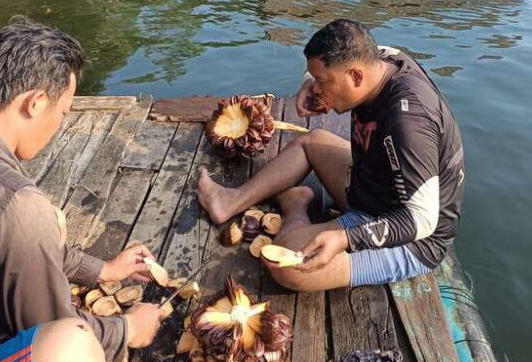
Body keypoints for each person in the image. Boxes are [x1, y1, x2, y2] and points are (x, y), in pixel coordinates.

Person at [0, 19, 166, 362]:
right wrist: (126, 328)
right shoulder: (13, 201)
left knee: (47, 218)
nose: (61, 124)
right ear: (35, 102)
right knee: (72, 358)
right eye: (64, 111)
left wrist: (101, 270)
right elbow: (48, 330)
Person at [199, 18, 465, 293]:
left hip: (410, 239)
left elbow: (421, 221)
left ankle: (295, 207)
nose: (317, 89)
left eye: (322, 82)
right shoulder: (382, 58)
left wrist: (347, 238)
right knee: (311, 141)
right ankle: (229, 201)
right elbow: (348, 61)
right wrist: (308, 85)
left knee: (286, 263)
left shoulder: (409, 124)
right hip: (370, 187)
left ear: (356, 77)